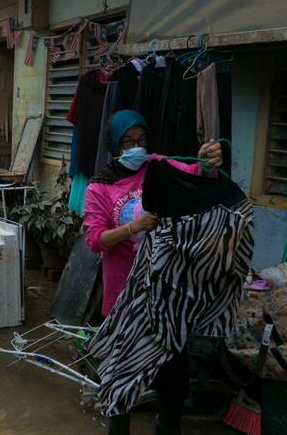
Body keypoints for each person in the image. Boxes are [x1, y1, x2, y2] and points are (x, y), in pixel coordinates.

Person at [82, 110, 223, 435]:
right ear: (115, 145)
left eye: (141, 140)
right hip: (124, 299)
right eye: (128, 142)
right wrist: (132, 227)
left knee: (171, 376)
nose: (136, 147)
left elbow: (196, 176)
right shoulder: (100, 187)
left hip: (167, 293)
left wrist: (207, 162)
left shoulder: (159, 166)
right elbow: (95, 241)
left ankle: (167, 428)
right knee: (123, 379)